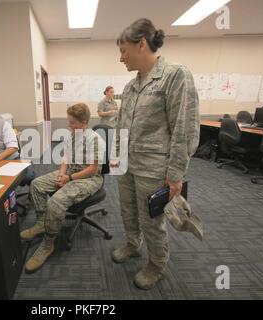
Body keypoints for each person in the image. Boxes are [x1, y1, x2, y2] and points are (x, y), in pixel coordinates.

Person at [111, 18, 200, 290]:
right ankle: (132, 244)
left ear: (141, 45)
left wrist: (175, 176)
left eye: (124, 50)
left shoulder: (175, 75)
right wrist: (116, 157)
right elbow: (120, 124)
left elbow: (184, 129)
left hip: (155, 168)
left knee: (152, 220)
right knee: (128, 211)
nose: (121, 58)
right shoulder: (131, 86)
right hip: (127, 164)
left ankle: (157, 264)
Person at [21, 103, 105, 274]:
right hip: (71, 171)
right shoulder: (72, 135)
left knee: (56, 201)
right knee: (36, 184)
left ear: (84, 122)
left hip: (89, 178)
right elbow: (66, 158)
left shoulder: (95, 139)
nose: (69, 125)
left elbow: (93, 169)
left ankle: (48, 243)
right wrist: (61, 175)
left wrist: (69, 179)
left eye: (72, 122)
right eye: (69, 121)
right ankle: (41, 222)